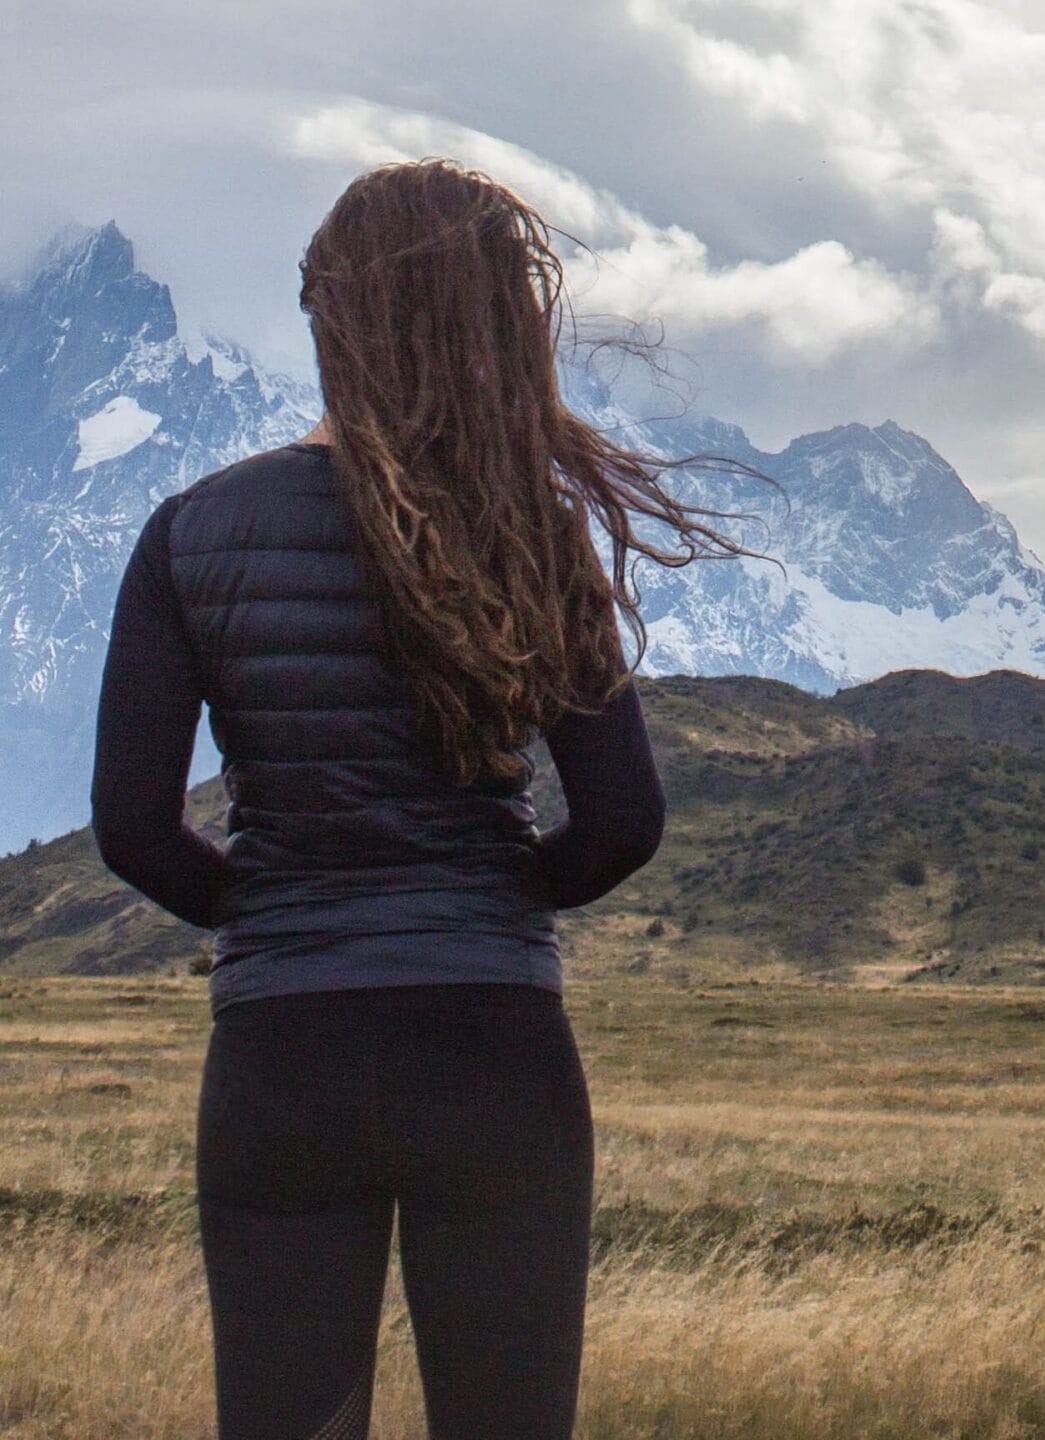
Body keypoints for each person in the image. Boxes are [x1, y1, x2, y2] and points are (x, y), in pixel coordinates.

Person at [89, 159, 750, 1439]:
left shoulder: (191, 533)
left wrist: (276, 909)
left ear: (327, 316)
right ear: (500, 322)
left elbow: (130, 827)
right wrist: (491, 897)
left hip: (284, 1051)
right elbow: (623, 824)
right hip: (492, 1044)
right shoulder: (528, 531)